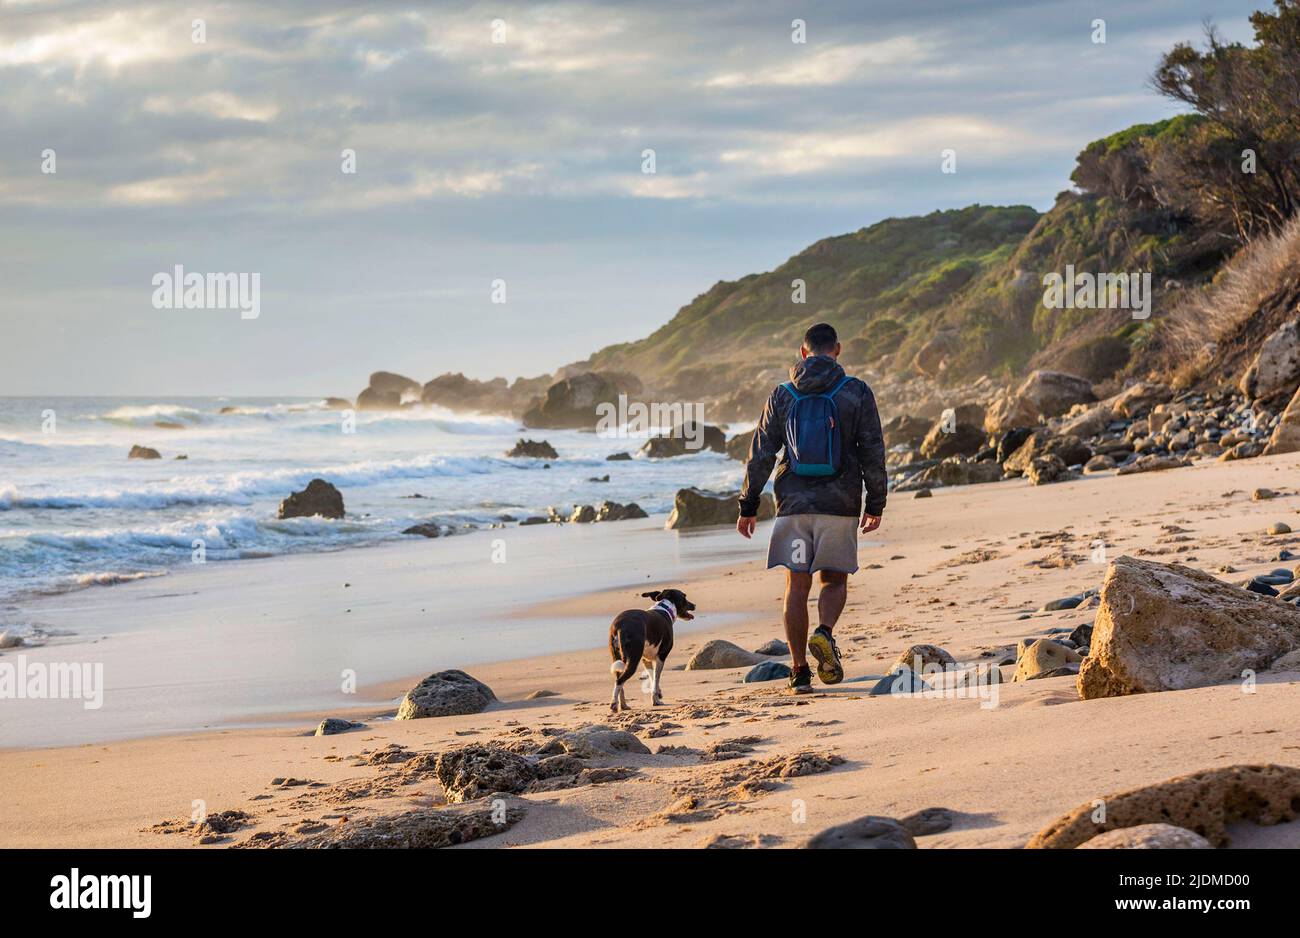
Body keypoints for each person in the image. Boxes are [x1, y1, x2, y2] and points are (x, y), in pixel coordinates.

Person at [736, 322, 888, 694]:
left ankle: (800, 670)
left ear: (803, 353)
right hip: (840, 504)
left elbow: (761, 453)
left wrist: (748, 503)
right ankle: (824, 633)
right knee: (834, 579)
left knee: (796, 584)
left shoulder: (782, 394)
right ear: (837, 350)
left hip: (794, 506)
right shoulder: (855, 391)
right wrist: (876, 501)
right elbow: (872, 449)